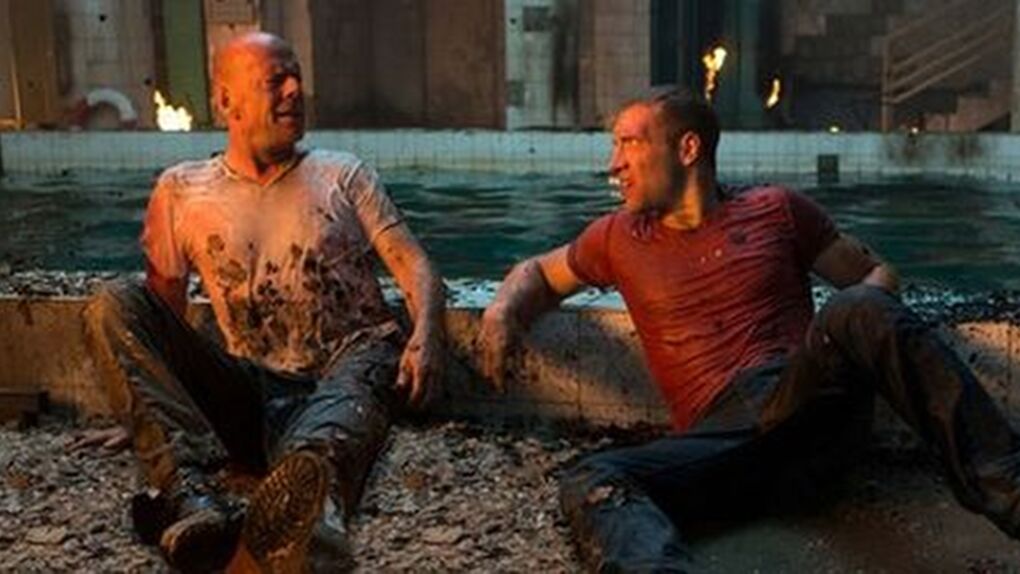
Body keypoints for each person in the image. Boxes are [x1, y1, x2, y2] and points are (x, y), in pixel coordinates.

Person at [479, 88, 1020, 572]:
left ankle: (1009, 488)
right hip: (726, 449)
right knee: (595, 479)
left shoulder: (776, 210)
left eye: (629, 143)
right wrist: (501, 312)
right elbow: (538, 273)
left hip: (808, 409)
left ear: (688, 149)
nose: (613, 163)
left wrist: (850, 335)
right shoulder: (617, 237)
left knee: (858, 306)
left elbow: (878, 276)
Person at [83, 32, 445, 573]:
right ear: (227, 101)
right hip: (252, 386)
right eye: (277, 80)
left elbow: (415, 265)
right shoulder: (181, 191)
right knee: (112, 303)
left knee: (322, 442)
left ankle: (303, 526)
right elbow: (161, 314)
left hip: (350, 363)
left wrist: (426, 336)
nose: (296, 90)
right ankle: (189, 496)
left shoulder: (342, 174)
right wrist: (147, 407)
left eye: (296, 77)